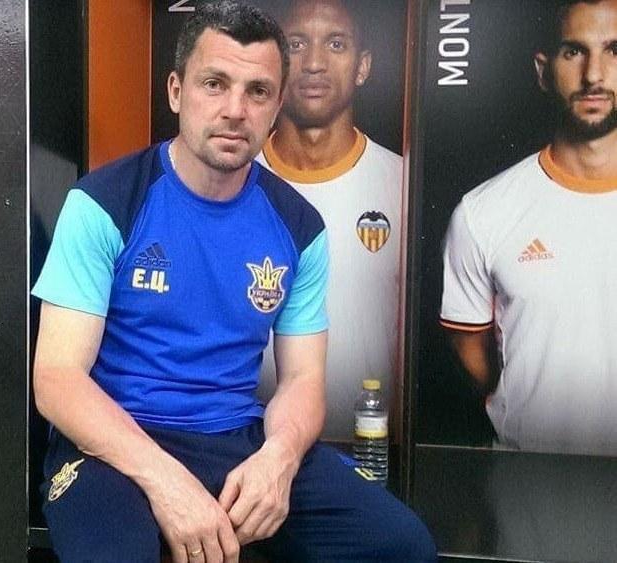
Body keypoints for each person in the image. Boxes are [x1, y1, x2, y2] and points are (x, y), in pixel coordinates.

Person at [33, 2, 435, 561]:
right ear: (176, 92)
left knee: (402, 547)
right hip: (110, 448)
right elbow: (57, 379)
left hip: (235, 437)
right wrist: (167, 482)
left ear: (277, 106)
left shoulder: (298, 227)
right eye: (215, 84)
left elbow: (302, 381)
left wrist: (279, 460)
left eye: (258, 92)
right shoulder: (105, 203)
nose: (235, 110)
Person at [441, 0, 617, 456]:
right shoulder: (483, 212)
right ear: (543, 71)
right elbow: (471, 351)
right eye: (574, 51)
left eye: (614, 51)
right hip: (524, 473)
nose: (595, 75)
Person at [257, 0, 404, 439]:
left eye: (336, 44)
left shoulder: (400, 184)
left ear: (363, 66)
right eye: (296, 44)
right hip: (251, 450)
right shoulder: (232, 181)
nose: (315, 63)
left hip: (371, 449)